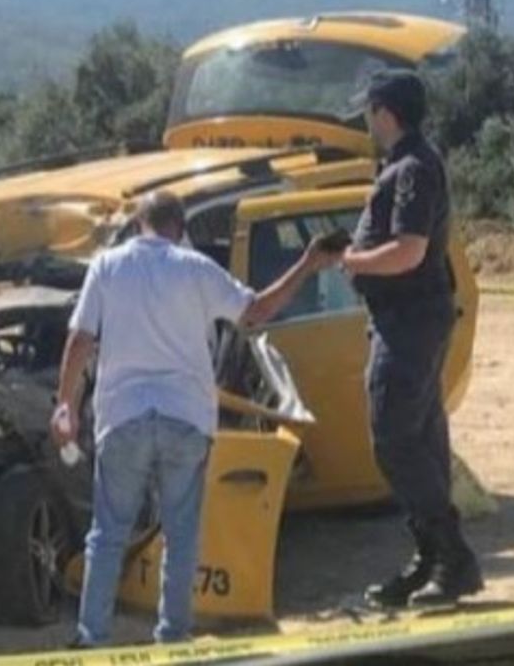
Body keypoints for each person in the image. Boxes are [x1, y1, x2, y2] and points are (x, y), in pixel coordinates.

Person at [52, 191, 341, 647]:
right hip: (185, 417)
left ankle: (91, 639)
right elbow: (258, 311)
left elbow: (80, 340)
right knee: (181, 535)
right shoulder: (195, 268)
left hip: (123, 417)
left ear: (138, 224)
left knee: (107, 533)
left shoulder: (106, 267)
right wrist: (307, 263)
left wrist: (64, 404)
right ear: (179, 227)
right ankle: (173, 637)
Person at [341, 70, 482, 608]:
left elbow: (409, 251)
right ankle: (433, 559)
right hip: (407, 319)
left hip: (408, 322)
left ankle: (452, 559)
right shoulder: (411, 165)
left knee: (396, 439)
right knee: (420, 438)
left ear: (385, 111)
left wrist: (351, 259)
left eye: (369, 110)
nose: (365, 120)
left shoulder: (412, 169)